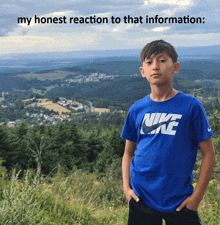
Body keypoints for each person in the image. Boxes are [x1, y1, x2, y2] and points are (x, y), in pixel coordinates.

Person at [120, 40, 215, 225]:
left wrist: (196, 198)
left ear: (175, 67)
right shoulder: (136, 109)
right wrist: (126, 188)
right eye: (149, 62)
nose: (155, 67)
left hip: (180, 200)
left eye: (162, 60)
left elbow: (209, 153)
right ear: (142, 71)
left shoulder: (191, 106)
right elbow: (128, 153)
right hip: (141, 198)